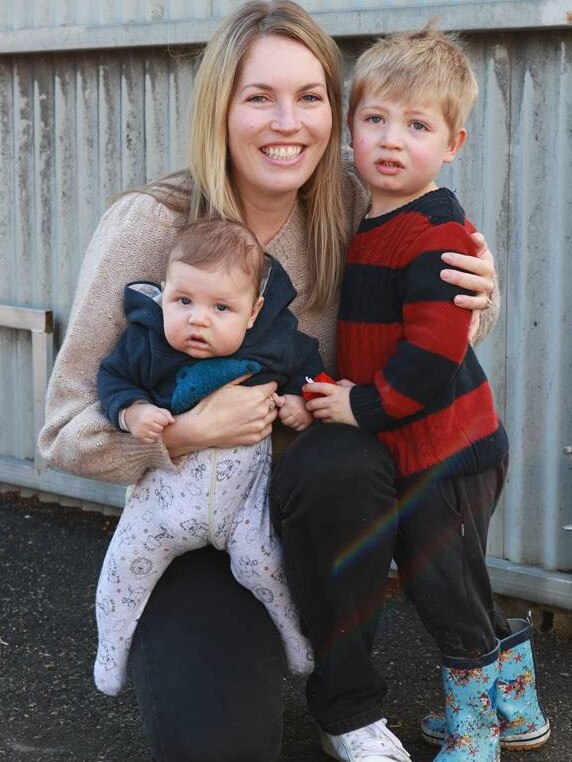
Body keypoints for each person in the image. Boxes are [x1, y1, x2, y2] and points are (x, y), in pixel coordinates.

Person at [38, 2, 500, 760]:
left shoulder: (355, 201)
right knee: (221, 744)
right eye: (260, 97)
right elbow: (62, 430)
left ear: (333, 110)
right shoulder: (151, 226)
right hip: (193, 526)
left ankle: (346, 706)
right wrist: (183, 433)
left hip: (311, 510)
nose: (289, 122)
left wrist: (482, 290)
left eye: (310, 96)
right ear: (220, 107)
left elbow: (444, 302)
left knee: (344, 458)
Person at [301, 26, 549, 761]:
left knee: (442, 590)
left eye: (417, 126)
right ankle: (519, 707)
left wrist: (360, 406)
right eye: (375, 119)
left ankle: (474, 732)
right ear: (350, 129)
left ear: (453, 143)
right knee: (458, 580)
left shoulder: (435, 231)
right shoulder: (372, 217)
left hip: (450, 450)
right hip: (426, 446)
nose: (391, 140)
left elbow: (435, 354)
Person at [94, 217, 322, 696]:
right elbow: (113, 379)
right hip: (166, 499)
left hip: (243, 505)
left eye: (221, 307)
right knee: (126, 564)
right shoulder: (147, 343)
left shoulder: (273, 344)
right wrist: (133, 412)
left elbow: (308, 369)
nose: (198, 319)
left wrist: (302, 401)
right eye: (183, 301)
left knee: (264, 564)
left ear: (253, 311)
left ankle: (295, 639)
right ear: (163, 293)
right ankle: (111, 648)